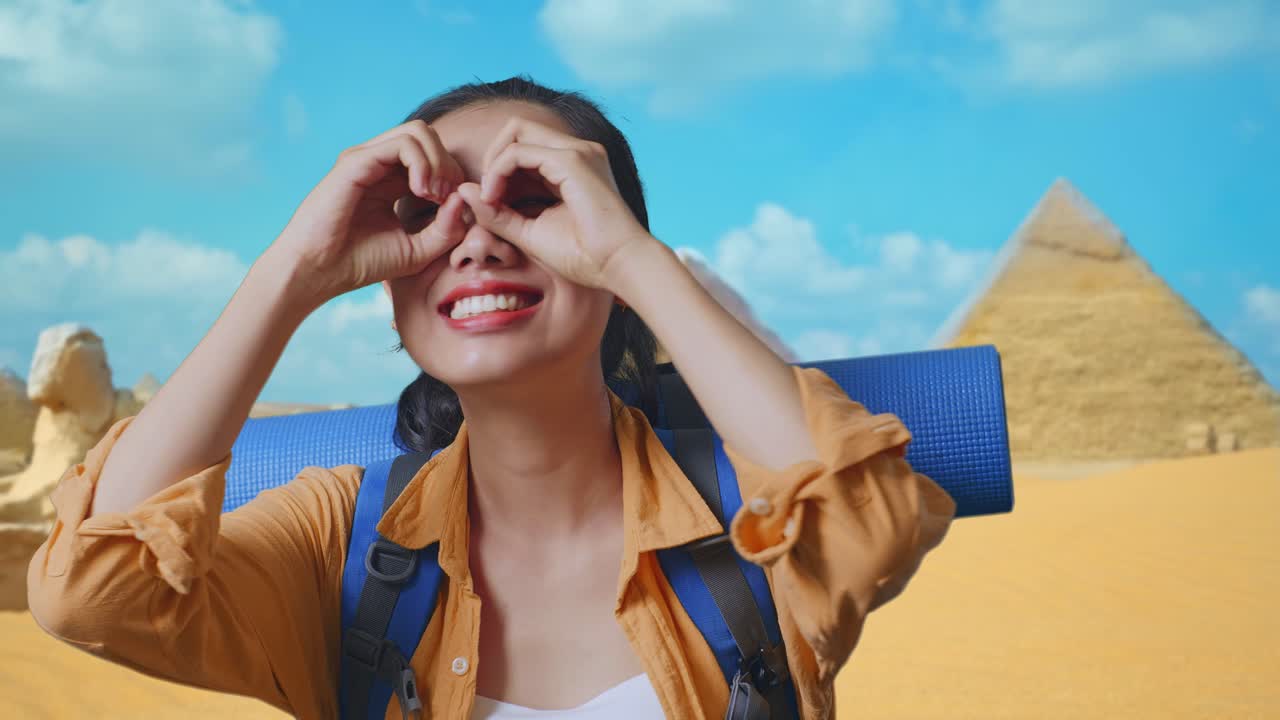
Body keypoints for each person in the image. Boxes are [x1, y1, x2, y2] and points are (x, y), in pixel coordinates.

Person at [26, 76, 957, 719]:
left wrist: (634, 259)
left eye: (531, 195)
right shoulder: (342, 541)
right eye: (425, 211)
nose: (475, 238)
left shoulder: (748, 519)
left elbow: (870, 521)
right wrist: (295, 270)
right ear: (393, 293)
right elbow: (92, 596)